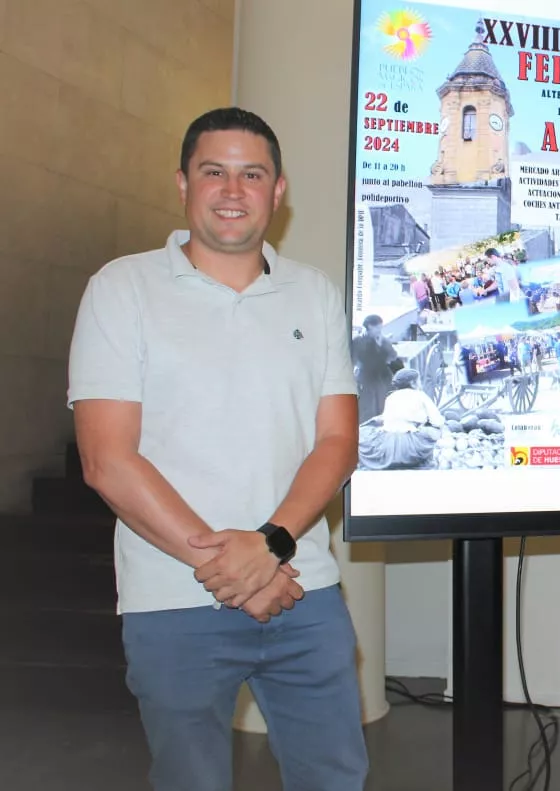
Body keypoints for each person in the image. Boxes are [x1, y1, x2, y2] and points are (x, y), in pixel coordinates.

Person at [66, 107, 368, 791]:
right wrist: (234, 563)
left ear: (277, 190)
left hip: (305, 592)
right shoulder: (123, 288)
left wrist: (271, 544)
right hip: (173, 598)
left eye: (251, 174)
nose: (233, 190)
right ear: (183, 184)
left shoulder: (313, 294)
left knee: (336, 779)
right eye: (214, 172)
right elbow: (107, 459)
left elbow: (337, 440)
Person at [352, 312, 400, 423]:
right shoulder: (358, 341)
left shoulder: (383, 340)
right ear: (369, 326)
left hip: (382, 376)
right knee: (366, 406)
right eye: (377, 328)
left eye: (380, 328)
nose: (379, 330)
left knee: (383, 403)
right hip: (366, 376)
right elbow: (352, 360)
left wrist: (382, 346)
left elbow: (393, 355)